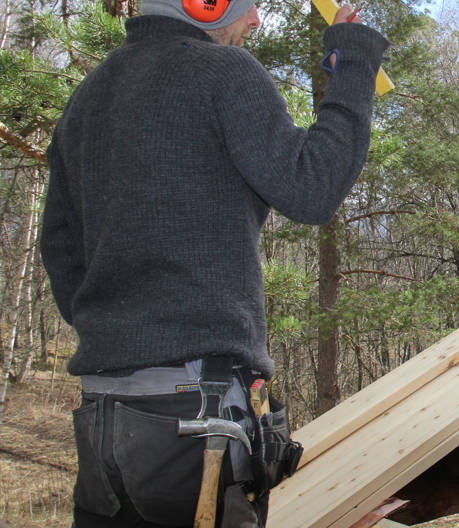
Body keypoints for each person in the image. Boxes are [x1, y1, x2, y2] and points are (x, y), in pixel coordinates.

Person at [38, 0, 389, 525]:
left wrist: (121, 333)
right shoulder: (222, 71)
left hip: (103, 410)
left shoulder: (88, 95)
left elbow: (59, 247)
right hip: (195, 418)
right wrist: (354, 61)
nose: (254, 21)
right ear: (204, 4)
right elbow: (313, 188)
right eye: (246, 6)